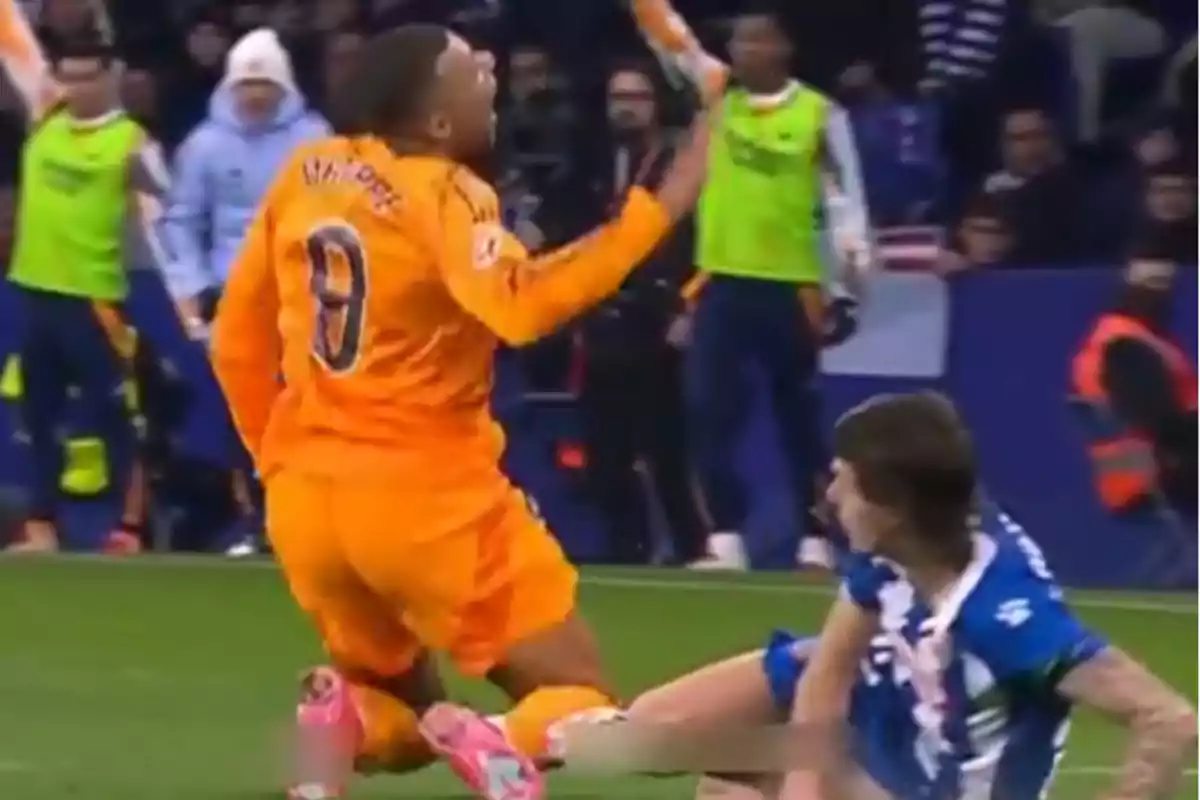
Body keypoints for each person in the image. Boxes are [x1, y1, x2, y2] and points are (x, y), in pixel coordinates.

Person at [209, 23, 711, 800]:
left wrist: (274, 460)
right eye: (469, 71)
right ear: (437, 123)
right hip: (426, 498)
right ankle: (499, 748)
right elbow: (522, 306)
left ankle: (338, 730)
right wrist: (661, 209)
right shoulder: (445, 193)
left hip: (308, 502)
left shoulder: (306, 172)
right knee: (582, 699)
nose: (488, 71)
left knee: (400, 717)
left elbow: (236, 342)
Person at [566, 393, 1197, 799]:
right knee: (641, 735)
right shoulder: (902, 540)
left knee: (718, 781)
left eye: (844, 484)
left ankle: (517, 750)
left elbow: (1168, 717)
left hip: (927, 783)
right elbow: (831, 668)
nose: (829, 497)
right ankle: (516, 750)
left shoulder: (1006, 617)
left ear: (889, 507)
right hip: (892, 697)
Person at [632, 1, 873, 571]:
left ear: (783, 48)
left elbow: (847, 206)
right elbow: (674, 42)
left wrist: (849, 288)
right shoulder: (718, 95)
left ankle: (815, 536)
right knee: (708, 409)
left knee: (798, 417)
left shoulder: (819, 115)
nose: (742, 51)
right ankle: (725, 536)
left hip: (794, 286)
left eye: (756, 40)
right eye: (737, 42)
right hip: (722, 280)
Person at [0, 1, 172, 554]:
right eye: (67, 78)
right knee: (38, 413)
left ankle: (129, 529)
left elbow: (168, 210)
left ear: (110, 79)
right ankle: (42, 527)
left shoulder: (130, 141)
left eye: (86, 78)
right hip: (34, 290)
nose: (75, 88)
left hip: (94, 298)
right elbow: (12, 39)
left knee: (117, 415)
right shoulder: (47, 116)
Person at [160, 26, 329, 557]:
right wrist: (192, 288)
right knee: (241, 416)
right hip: (231, 298)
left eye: (264, 86)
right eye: (245, 86)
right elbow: (180, 220)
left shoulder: (315, 141)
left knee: (303, 413)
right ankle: (250, 518)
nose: (254, 96)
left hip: (300, 298)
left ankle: (303, 520)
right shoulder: (204, 145)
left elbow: (336, 219)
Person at [571, 60, 709, 566]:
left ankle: (693, 547)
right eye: (616, 99)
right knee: (605, 449)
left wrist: (689, 302)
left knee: (665, 445)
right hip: (602, 320)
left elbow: (702, 239)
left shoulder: (678, 162)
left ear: (657, 105)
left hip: (659, 319)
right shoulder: (596, 162)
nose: (624, 109)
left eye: (636, 98)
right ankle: (625, 549)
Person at [1071, 256, 1196, 522]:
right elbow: (1157, 419)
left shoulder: (1138, 338)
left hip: (1156, 464)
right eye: (1151, 282)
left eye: (1166, 283)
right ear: (1127, 285)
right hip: (1152, 469)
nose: (1160, 292)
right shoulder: (1122, 345)